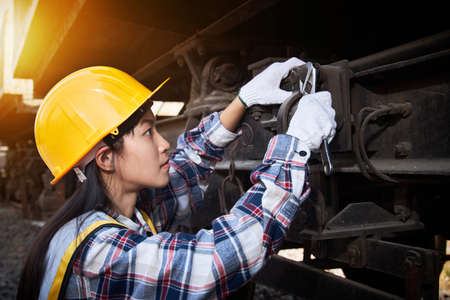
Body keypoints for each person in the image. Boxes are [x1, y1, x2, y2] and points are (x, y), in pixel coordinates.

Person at [17, 58, 336, 300]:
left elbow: (188, 165)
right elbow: (221, 259)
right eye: (147, 131)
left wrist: (244, 99)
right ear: (106, 158)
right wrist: (295, 146)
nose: (164, 143)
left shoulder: (116, 214)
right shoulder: (100, 254)